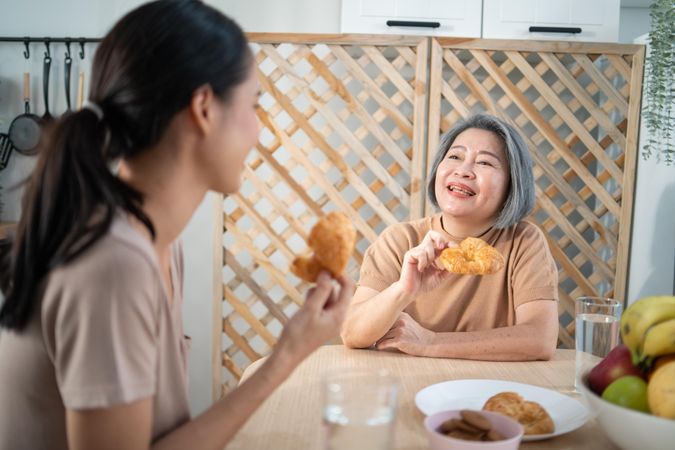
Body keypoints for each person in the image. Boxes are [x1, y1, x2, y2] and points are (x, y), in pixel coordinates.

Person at [0, 1, 353, 449]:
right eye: (254, 104)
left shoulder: (156, 243)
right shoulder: (115, 262)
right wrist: (286, 357)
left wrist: (290, 350)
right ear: (204, 107)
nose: (260, 131)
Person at [340, 114, 559, 361]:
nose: (464, 171)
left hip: (488, 387)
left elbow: (540, 339)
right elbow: (352, 334)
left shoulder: (524, 242)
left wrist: (430, 343)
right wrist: (404, 289)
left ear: (512, 184)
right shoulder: (401, 240)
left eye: (485, 163)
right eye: (455, 156)